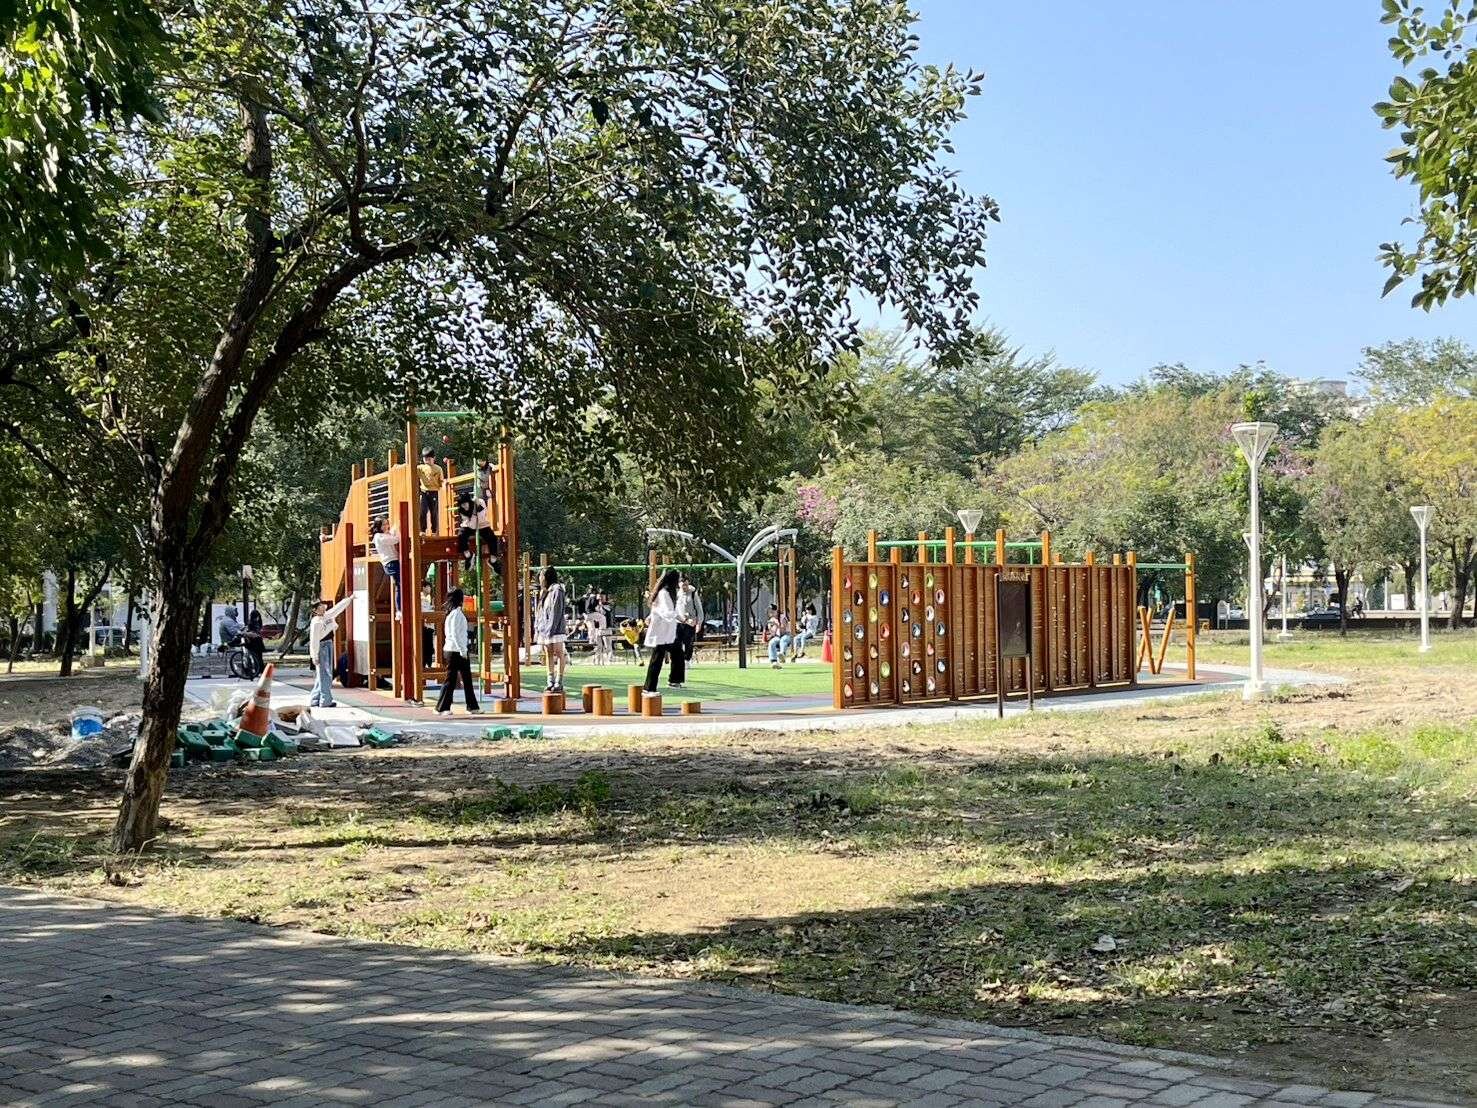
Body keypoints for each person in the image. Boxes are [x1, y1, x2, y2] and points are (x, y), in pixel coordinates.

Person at [435, 588, 479, 715]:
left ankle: (472, 706)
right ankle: (442, 708)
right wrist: (462, 650)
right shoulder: (456, 614)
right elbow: (455, 634)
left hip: (454, 649)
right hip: (456, 651)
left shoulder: (452, 613)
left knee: (465, 678)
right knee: (452, 679)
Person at [307, 596, 353, 707]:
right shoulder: (316, 622)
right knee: (326, 674)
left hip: (327, 644)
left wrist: (349, 599)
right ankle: (325, 700)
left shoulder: (327, 615)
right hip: (322, 647)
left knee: (322, 675)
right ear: (315, 610)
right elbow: (314, 640)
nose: (322, 607)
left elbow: (337, 608)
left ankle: (315, 699)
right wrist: (314, 656)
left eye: (321, 605)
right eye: (319, 606)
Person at [644, 569, 685, 691]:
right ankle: (649, 688)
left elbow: (660, 609)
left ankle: (674, 680)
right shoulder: (664, 593)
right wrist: (681, 618)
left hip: (668, 632)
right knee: (657, 659)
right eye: (678, 580)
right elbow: (666, 612)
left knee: (678, 653)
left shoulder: (668, 593)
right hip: (661, 632)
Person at [535, 565, 569, 692]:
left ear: (547, 577)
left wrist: (551, 629)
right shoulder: (545, 591)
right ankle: (550, 680)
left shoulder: (557, 590)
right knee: (548, 652)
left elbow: (556, 611)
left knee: (559, 652)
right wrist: (538, 628)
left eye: (541, 576)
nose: (540, 578)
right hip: (544, 627)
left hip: (555, 628)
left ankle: (559, 681)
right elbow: (540, 611)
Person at [455, 489, 500, 573]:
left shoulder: (480, 502)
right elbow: (471, 525)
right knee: (461, 536)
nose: (464, 506)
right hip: (469, 526)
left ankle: (493, 561)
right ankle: (468, 556)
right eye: (462, 505)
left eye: (465, 504)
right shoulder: (461, 510)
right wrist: (474, 514)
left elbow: (482, 517)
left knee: (492, 538)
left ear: (469, 502)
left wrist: (477, 507)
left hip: (482, 525)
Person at [370, 517, 402, 615]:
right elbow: (395, 539)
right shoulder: (379, 536)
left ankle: (399, 610)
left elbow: (392, 536)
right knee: (399, 585)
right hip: (390, 563)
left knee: (399, 585)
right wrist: (398, 530)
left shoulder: (384, 535)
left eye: (387, 524)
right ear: (378, 526)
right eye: (383, 524)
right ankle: (399, 610)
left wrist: (395, 528)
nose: (386, 526)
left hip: (393, 561)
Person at [676, 574, 703, 663]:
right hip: (678, 621)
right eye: (683, 585)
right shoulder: (676, 594)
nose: (685, 587)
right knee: (676, 642)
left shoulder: (693, 593)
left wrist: (699, 623)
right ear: (679, 584)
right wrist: (683, 619)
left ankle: (687, 660)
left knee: (688, 642)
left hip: (691, 622)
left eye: (686, 585)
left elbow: (699, 609)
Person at [417, 447, 444, 533]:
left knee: (434, 512)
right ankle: (422, 530)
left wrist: (442, 486)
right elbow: (411, 470)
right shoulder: (420, 468)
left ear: (434, 458)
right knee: (423, 511)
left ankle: (434, 530)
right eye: (425, 459)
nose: (427, 461)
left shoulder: (438, 468)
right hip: (424, 492)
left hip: (434, 492)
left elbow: (441, 481)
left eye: (429, 459)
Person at [244, 607, 266, 673]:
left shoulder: (251, 623)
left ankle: (258, 669)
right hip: (257, 641)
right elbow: (257, 631)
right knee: (259, 656)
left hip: (254, 641)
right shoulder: (257, 623)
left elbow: (251, 632)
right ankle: (261, 669)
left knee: (256, 656)